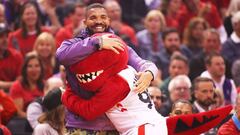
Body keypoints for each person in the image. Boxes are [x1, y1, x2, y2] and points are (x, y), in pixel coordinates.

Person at [56, 3, 158, 135]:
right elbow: (61, 55)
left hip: (112, 126)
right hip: (80, 124)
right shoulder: (74, 43)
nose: (98, 21)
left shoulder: (119, 45)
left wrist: (149, 73)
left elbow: (144, 64)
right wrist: (97, 42)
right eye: (93, 17)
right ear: (85, 22)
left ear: (109, 21)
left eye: (103, 17)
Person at [0, 23, 23, 91]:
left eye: (6, 36)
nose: (5, 40)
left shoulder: (16, 55)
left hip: (13, 92)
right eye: (1, 36)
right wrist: (14, 85)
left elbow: (20, 79)